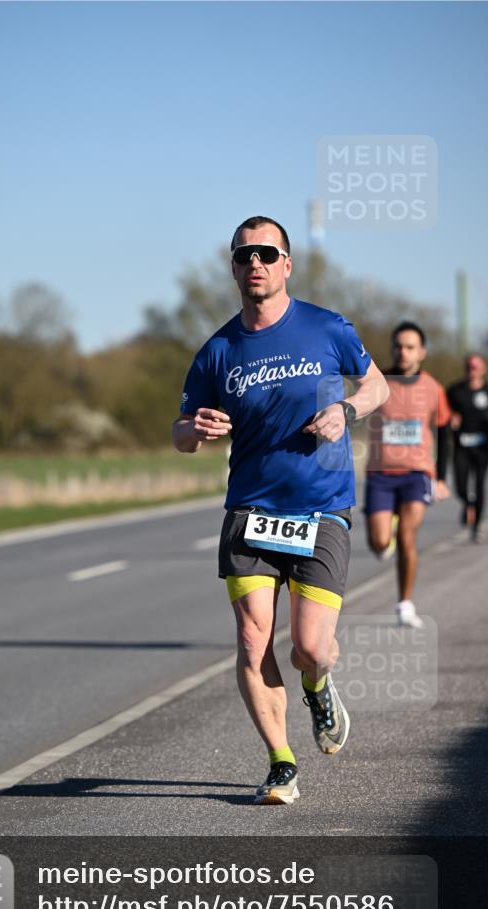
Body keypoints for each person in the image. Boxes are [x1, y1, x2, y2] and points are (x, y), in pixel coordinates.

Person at [172, 215, 388, 805]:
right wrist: (195, 427)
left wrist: (347, 408)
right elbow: (180, 431)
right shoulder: (218, 350)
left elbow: (378, 387)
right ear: (234, 266)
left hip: (320, 508)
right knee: (250, 639)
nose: (256, 264)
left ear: (287, 263)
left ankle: (318, 687)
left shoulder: (326, 327)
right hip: (250, 508)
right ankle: (281, 762)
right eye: (244, 256)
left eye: (267, 253)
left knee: (311, 647)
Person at [364, 322, 451, 628]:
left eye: (410, 347)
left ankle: (404, 603)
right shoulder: (378, 382)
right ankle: (386, 531)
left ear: (422, 352)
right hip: (380, 474)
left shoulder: (434, 388)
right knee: (378, 543)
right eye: (399, 346)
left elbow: (443, 431)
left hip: (417, 472)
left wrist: (441, 477)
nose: (404, 352)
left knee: (407, 539)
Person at [447, 353, 488, 542]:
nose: (472, 370)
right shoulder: (454, 391)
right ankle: (468, 503)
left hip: (482, 449)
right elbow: (443, 413)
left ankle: (477, 526)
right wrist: (451, 419)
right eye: (469, 366)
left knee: (480, 485)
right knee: (460, 486)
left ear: (483, 369)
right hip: (462, 447)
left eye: (476, 366)